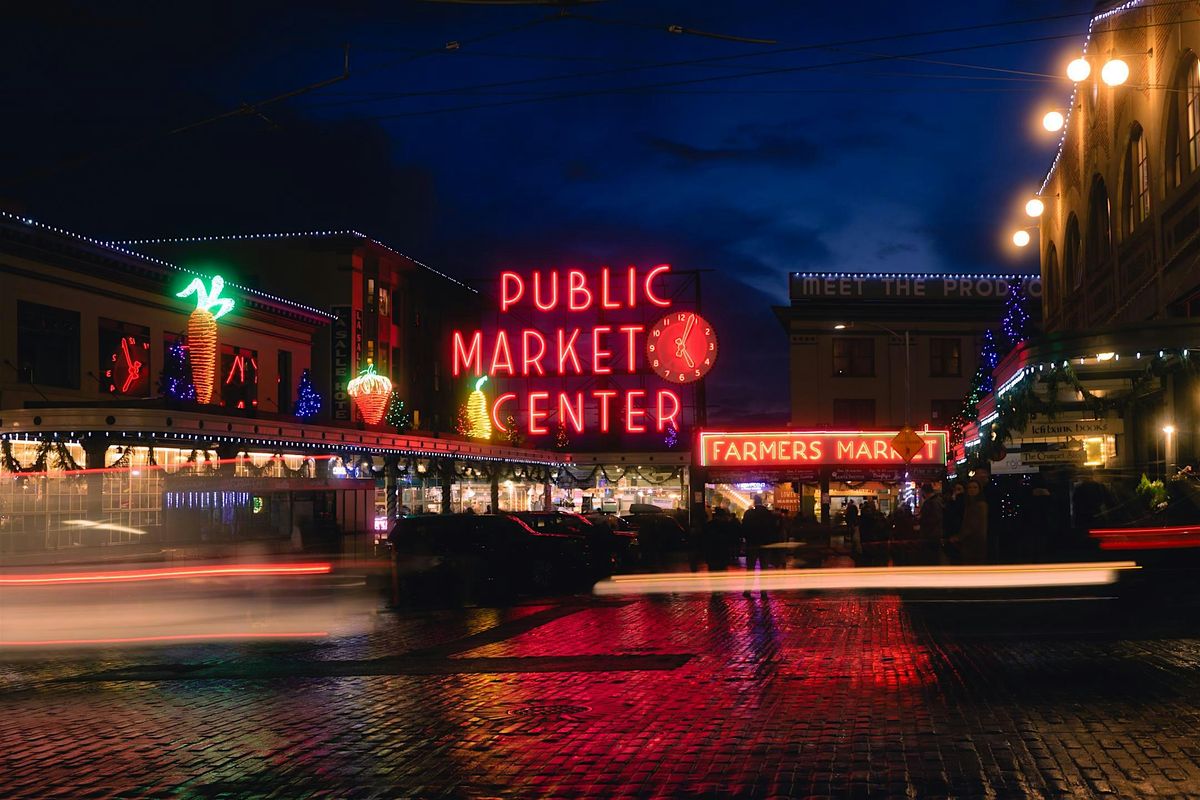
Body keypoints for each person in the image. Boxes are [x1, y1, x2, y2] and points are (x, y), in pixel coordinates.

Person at [953, 479, 988, 564]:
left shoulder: (980, 505)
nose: (972, 490)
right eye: (970, 487)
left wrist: (959, 537)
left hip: (975, 541)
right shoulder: (970, 503)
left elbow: (973, 525)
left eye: (975, 487)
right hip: (970, 541)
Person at [917, 483, 944, 565]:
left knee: (930, 559)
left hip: (931, 535)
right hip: (936, 534)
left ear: (924, 492)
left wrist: (921, 520)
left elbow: (933, 519)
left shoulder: (930, 503)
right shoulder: (939, 500)